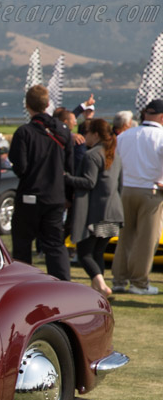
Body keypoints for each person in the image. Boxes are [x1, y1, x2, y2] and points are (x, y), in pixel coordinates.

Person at [8, 85, 73, 281]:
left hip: (30, 195)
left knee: (22, 245)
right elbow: (70, 167)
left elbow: (20, 167)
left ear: (27, 105)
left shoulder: (24, 132)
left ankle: (25, 285)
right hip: (55, 197)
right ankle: (63, 286)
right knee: (55, 245)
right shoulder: (63, 130)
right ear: (47, 104)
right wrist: (68, 196)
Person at [64, 117, 122, 298]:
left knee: (85, 254)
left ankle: (103, 287)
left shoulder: (92, 155)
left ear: (95, 134)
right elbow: (120, 185)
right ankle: (99, 290)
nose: (84, 136)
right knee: (98, 252)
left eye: (87, 132)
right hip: (114, 213)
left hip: (97, 213)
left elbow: (89, 182)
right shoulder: (115, 155)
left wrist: (65, 177)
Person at [112, 98, 163, 295]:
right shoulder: (159, 135)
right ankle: (139, 282)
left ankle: (119, 279)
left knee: (125, 237)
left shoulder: (126, 135)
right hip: (151, 190)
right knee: (146, 239)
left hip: (127, 188)